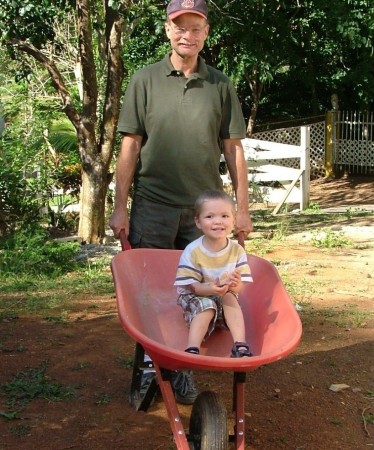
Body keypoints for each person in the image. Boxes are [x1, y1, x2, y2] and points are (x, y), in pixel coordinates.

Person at [109, 0, 253, 404]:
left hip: (204, 214)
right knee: (149, 295)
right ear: (167, 30)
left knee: (204, 290)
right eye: (179, 27)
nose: (186, 35)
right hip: (152, 206)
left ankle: (183, 367)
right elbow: (130, 145)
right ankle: (148, 369)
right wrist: (120, 205)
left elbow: (234, 148)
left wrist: (241, 208)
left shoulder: (220, 84)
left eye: (195, 28)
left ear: (206, 34)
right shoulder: (145, 80)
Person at [175, 190, 253, 357]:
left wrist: (235, 284)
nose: (218, 221)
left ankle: (240, 344)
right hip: (195, 294)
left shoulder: (237, 251)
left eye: (225, 216)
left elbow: (240, 288)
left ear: (234, 219)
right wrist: (211, 288)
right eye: (210, 217)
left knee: (230, 297)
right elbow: (192, 287)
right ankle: (192, 348)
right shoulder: (193, 251)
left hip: (222, 292)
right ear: (198, 222)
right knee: (208, 306)